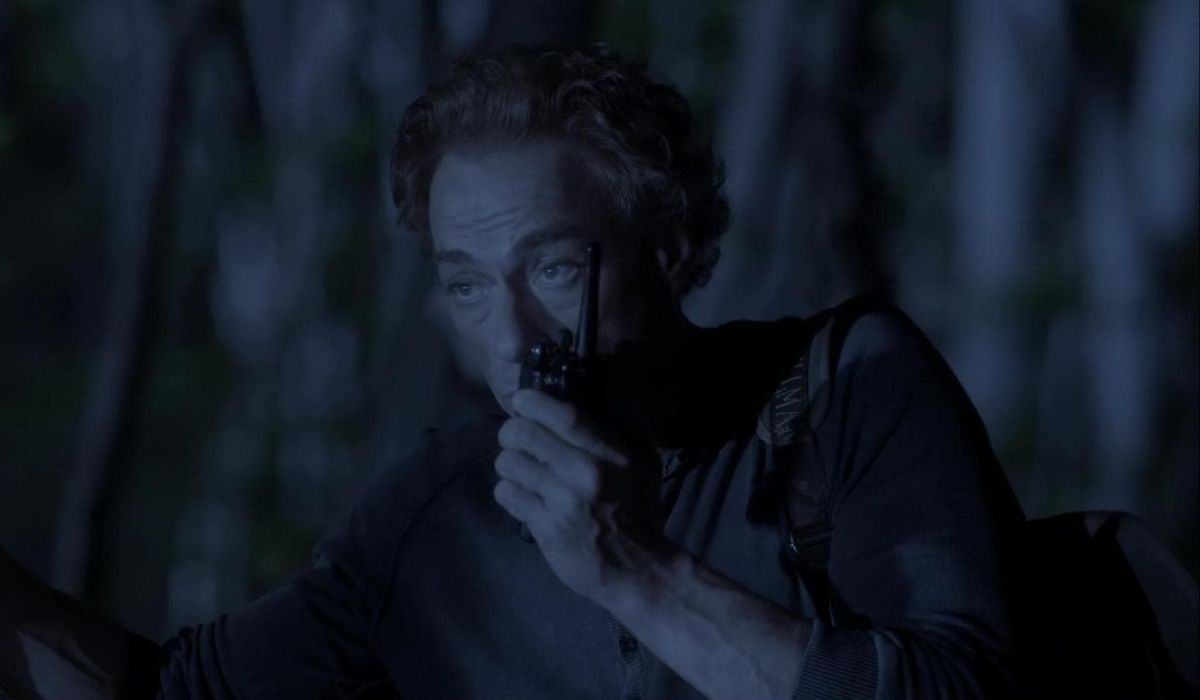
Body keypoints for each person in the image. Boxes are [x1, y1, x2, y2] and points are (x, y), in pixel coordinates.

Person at [2, 43, 1034, 699]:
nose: (510, 331)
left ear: (669, 249)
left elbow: (965, 690)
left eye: (551, 268)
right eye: (465, 284)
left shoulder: (845, 386)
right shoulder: (440, 512)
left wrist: (632, 569)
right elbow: (171, 691)